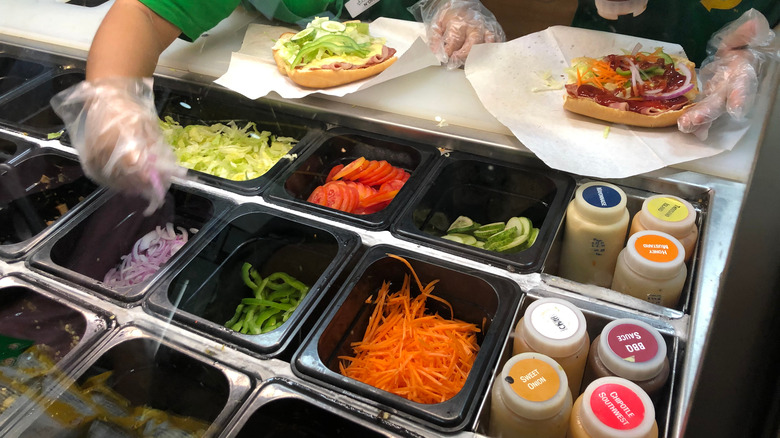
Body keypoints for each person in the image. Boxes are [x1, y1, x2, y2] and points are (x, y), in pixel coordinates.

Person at [51, 0, 505, 214]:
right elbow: (144, 15)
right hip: (282, 97)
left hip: (419, 96)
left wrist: (456, 7)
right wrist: (114, 103)